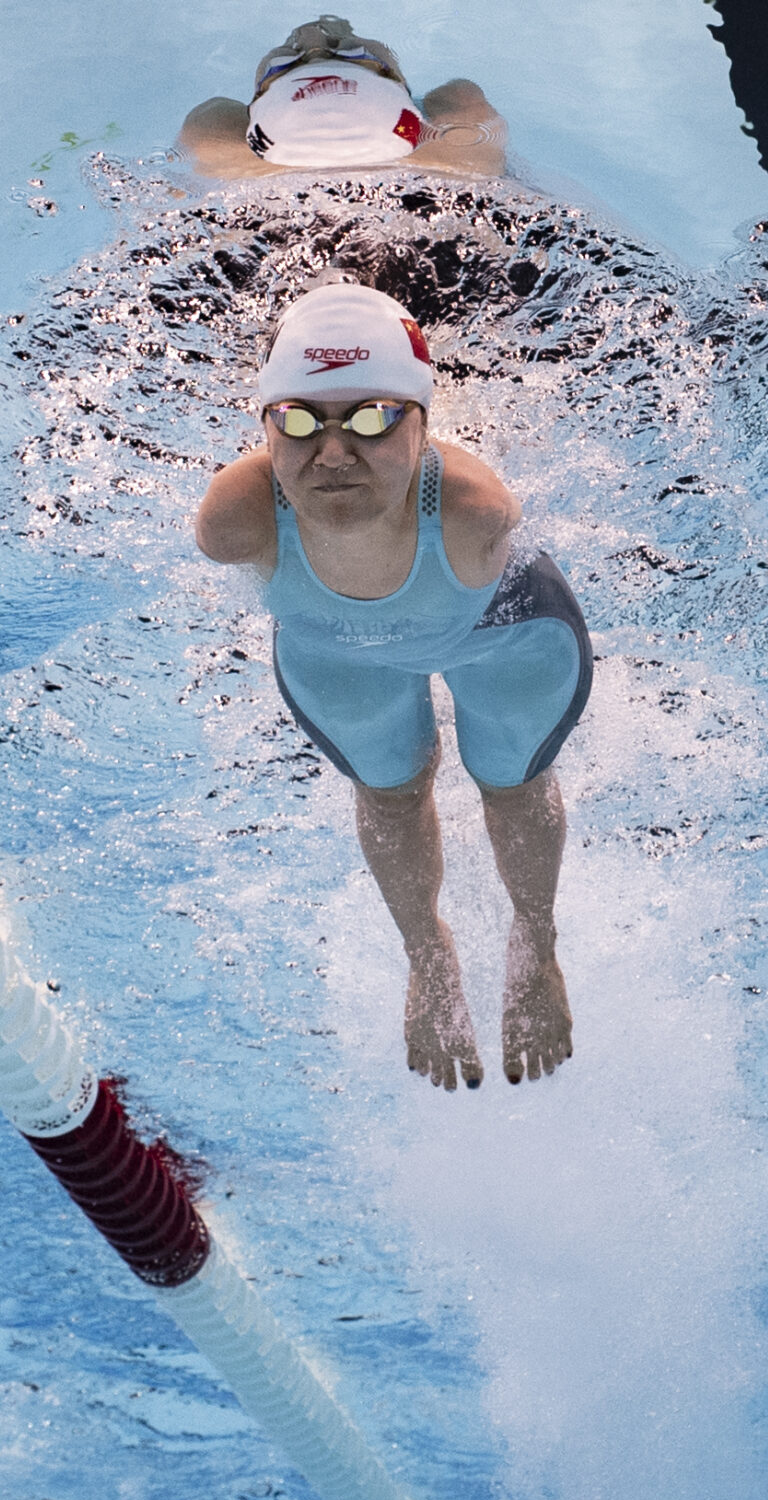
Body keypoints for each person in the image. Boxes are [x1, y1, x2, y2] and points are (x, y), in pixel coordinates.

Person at [194, 277, 591, 1091]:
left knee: (510, 787)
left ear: (422, 422)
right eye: (299, 421)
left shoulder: (475, 515)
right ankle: (428, 957)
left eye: (373, 418)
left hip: (502, 637)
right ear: (266, 425)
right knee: (389, 794)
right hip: (341, 654)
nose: (332, 453)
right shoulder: (234, 520)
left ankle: (537, 946)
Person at [177, 16, 507, 180]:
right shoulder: (460, 120)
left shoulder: (213, 134)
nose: (314, 44)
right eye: (293, 55)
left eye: (344, 48)